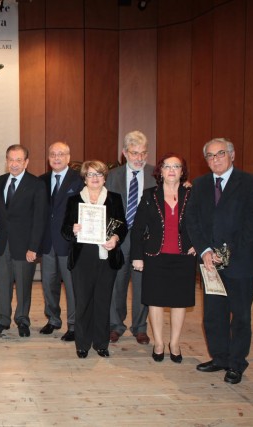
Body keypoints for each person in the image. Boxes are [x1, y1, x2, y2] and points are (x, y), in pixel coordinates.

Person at [187, 138, 253, 385]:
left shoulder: (251, 182)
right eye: (210, 156)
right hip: (210, 263)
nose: (216, 159)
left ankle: (236, 363)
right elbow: (192, 220)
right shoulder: (200, 185)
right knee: (213, 315)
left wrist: (227, 250)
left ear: (232, 155)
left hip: (241, 262)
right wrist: (204, 250)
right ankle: (219, 357)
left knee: (240, 316)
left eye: (220, 153)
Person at [131, 153, 196, 363]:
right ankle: (159, 343)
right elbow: (138, 228)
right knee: (155, 301)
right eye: (167, 166)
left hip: (184, 256)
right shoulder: (149, 195)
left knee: (179, 302)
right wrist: (137, 256)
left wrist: (197, 243)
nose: (171, 170)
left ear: (182, 171)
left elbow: (203, 222)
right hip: (155, 256)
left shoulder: (191, 194)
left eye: (176, 166)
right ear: (160, 171)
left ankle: (174, 343)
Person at [61, 160, 127, 359]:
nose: (95, 178)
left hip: (106, 256)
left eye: (99, 174)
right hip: (82, 258)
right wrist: (73, 229)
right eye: (90, 174)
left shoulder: (114, 199)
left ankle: (101, 343)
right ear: (85, 178)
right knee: (83, 302)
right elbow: (64, 230)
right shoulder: (74, 200)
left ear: (104, 178)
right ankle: (82, 344)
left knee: (102, 301)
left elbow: (122, 226)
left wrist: (115, 238)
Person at [0, 145, 47, 337]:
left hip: (25, 246)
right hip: (3, 243)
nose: (14, 164)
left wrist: (34, 248)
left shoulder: (36, 184)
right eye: (11, 160)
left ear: (26, 162)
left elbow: (40, 219)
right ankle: (2, 320)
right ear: (6, 161)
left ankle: (22, 320)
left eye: (18, 160)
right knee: (2, 284)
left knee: (23, 286)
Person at [107, 130, 156, 345]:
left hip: (145, 239)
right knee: (117, 283)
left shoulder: (156, 174)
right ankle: (115, 325)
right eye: (135, 153)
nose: (139, 158)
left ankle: (140, 327)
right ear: (125, 153)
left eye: (143, 153)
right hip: (119, 238)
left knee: (142, 285)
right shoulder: (113, 176)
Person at [38, 142, 84, 341]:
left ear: (68, 157)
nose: (56, 158)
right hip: (47, 242)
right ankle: (53, 319)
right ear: (48, 158)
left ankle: (73, 325)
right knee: (49, 284)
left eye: (61, 154)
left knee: (71, 287)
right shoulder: (41, 180)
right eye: (53, 154)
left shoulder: (79, 180)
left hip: (69, 242)